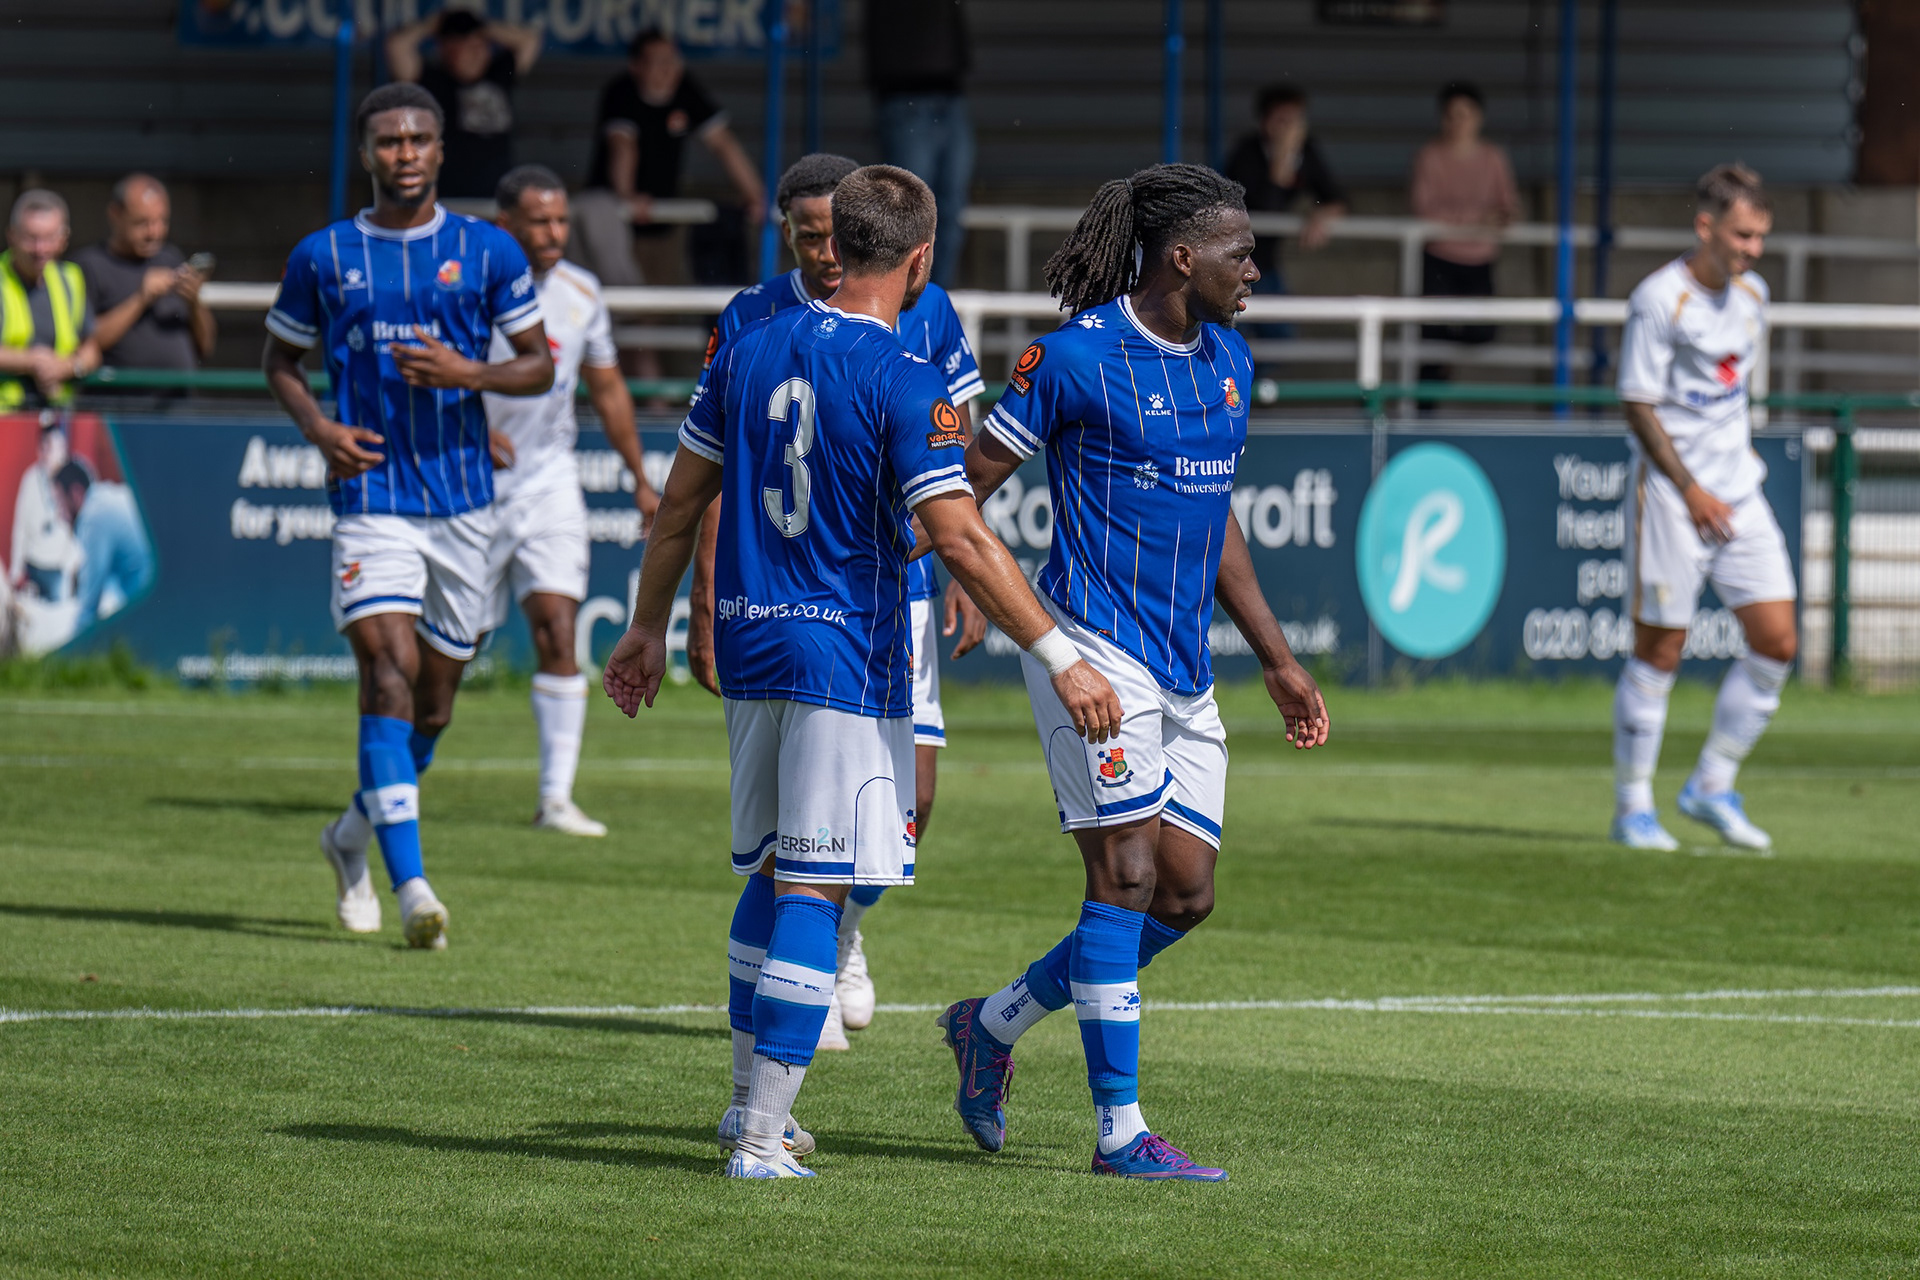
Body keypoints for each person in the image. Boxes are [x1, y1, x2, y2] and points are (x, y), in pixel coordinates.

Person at [601, 164, 1120, 1179]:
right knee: (815, 883)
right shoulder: (904, 377)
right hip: (843, 649)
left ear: (834, 237)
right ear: (921, 259)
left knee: (770, 870)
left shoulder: (746, 348)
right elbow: (963, 542)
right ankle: (760, 1138)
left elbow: (679, 501)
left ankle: (747, 1108)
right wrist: (1060, 654)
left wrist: (644, 625)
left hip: (751, 640)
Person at [937, 164, 1331, 1182]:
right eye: (1242, 250)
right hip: (1092, 648)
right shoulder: (1071, 359)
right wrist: (975, 590)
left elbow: (1218, 519)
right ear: (1183, 256)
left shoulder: (1229, 361)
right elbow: (965, 487)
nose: (1258, 267)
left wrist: (1278, 659)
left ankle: (991, 1023)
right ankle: (1121, 1132)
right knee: (1124, 875)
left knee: (1186, 895)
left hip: (1186, 666)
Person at [684, 151, 988, 1048]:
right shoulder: (748, 320)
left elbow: (954, 456)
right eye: (808, 236)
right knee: (795, 850)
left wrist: (960, 562)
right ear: (787, 230)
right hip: (793, 609)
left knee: (912, 803)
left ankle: (838, 940)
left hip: (896, 598)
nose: (823, 253)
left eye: (834, 235)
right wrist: (700, 609)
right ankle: (801, 991)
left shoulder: (924, 313)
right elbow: (709, 487)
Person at [263, 83, 553, 948]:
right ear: (366, 154)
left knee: (432, 705)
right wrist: (319, 428)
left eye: (419, 138)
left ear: (438, 149)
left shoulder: (487, 250)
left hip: (464, 502)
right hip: (370, 497)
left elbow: (537, 367)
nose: (406, 152)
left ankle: (349, 838)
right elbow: (280, 358)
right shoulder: (324, 255)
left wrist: (470, 375)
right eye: (388, 140)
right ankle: (413, 886)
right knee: (385, 673)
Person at [1610, 164, 1795, 854]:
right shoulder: (1660, 299)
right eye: (1743, 235)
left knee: (1778, 643)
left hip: (1738, 493)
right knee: (1663, 649)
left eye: (1761, 238)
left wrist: (1721, 484)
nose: (1753, 250)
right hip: (1672, 494)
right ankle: (1633, 809)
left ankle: (1711, 785)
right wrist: (1690, 489)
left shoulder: (1754, 297)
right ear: (1706, 227)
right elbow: (1638, 402)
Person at [481, 164, 659, 838]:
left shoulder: (582, 292)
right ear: (508, 226)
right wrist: (470, 425)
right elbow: (428, 369)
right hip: (466, 481)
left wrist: (639, 477)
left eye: (561, 220)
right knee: (453, 649)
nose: (556, 232)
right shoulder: (471, 286)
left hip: (549, 477)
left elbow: (608, 388)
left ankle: (555, 799)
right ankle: (397, 773)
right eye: (541, 221)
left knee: (558, 626)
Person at [573, 29, 764, 293]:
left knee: (660, 307)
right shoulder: (621, 91)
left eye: (673, 61)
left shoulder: (685, 88)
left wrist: (755, 195)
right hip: (616, 220)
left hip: (663, 222)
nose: (668, 70)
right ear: (636, 66)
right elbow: (623, 146)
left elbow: (723, 144)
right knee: (620, 305)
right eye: (658, 61)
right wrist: (628, 197)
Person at [1409, 82, 1518, 384]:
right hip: (1438, 258)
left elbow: (1508, 209)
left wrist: (1461, 221)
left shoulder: (1493, 157)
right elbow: (1424, 210)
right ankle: (1423, 415)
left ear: (1478, 117)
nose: (1458, 122)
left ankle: (1447, 362)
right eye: (1452, 115)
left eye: (1465, 114)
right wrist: (1479, 219)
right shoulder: (1429, 156)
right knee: (1431, 336)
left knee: (1482, 331)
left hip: (1480, 259)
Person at [867, 0, 973, 286]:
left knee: (949, 209)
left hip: (949, 91)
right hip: (904, 94)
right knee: (909, 208)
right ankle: (907, 298)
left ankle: (935, 297)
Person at [385, 9, 544, 201]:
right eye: (467, 47)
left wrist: (484, 28)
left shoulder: (498, 74)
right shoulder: (432, 82)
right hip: (449, 199)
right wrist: (432, 25)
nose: (476, 53)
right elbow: (397, 46)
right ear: (446, 50)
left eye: (480, 45)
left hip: (495, 200)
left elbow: (530, 40)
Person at [1221, 86, 1347, 320]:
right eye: (1283, 121)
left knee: (1279, 334)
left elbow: (1336, 197)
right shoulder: (1247, 153)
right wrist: (1282, 157)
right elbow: (1265, 207)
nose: (1291, 129)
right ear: (1265, 122)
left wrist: (1320, 214)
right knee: (1232, 332)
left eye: (1296, 121)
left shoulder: (1307, 150)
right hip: (1233, 262)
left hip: (1267, 265)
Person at [74, 174, 217, 373]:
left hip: (180, 400)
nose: (154, 233)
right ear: (115, 215)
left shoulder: (171, 258)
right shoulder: (89, 266)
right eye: (142, 223)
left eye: (162, 221)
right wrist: (141, 299)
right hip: (121, 401)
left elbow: (206, 346)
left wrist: (194, 303)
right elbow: (85, 343)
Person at [0, 190, 101, 410]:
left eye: (49, 238)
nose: (40, 249)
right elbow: (34, 360)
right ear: (11, 236)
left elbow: (92, 349)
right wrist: (31, 361)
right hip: (6, 420)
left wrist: (68, 367)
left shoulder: (71, 278)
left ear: (64, 239)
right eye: (31, 238)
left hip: (56, 417)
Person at [51, 460, 153, 630]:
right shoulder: (106, 495)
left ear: (76, 493)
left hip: (150, 608)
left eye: (60, 503)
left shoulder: (93, 519)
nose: (59, 515)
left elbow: (88, 609)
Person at [10, 422, 82, 601]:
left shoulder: (71, 479)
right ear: (40, 449)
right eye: (47, 447)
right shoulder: (31, 478)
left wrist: (67, 564)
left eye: (58, 447)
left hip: (58, 569)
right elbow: (20, 525)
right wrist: (16, 569)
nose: (52, 454)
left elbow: (82, 527)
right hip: (32, 566)